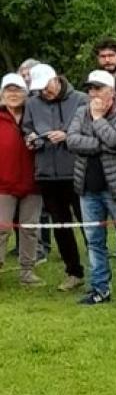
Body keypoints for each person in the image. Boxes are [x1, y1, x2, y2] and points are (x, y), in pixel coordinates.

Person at [66, 70, 116, 307]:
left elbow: (115, 140)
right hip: (87, 188)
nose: (93, 94)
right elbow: (71, 140)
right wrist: (99, 142)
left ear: (112, 91)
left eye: (98, 88)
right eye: (90, 89)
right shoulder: (82, 111)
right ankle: (100, 289)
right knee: (94, 241)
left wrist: (99, 119)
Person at [20, 64, 86, 291]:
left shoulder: (80, 99)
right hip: (47, 173)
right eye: (39, 90)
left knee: (87, 223)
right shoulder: (32, 103)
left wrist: (67, 136)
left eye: (47, 87)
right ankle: (74, 272)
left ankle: (99, 271)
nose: (44, 93)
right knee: (61, 225)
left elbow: (90, 129)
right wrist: (31, 139)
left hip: (76, 170)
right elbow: (27, 129)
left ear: (56, 79)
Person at [0, 72, 42, 287]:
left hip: (32, 183)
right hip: (3, 184)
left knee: (29, 229)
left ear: (26, 93)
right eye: (9, 90)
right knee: (1, 228)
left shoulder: (34, 115)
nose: (13, 94)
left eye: (17, 90)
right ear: (2, 93)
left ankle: (27, 271)